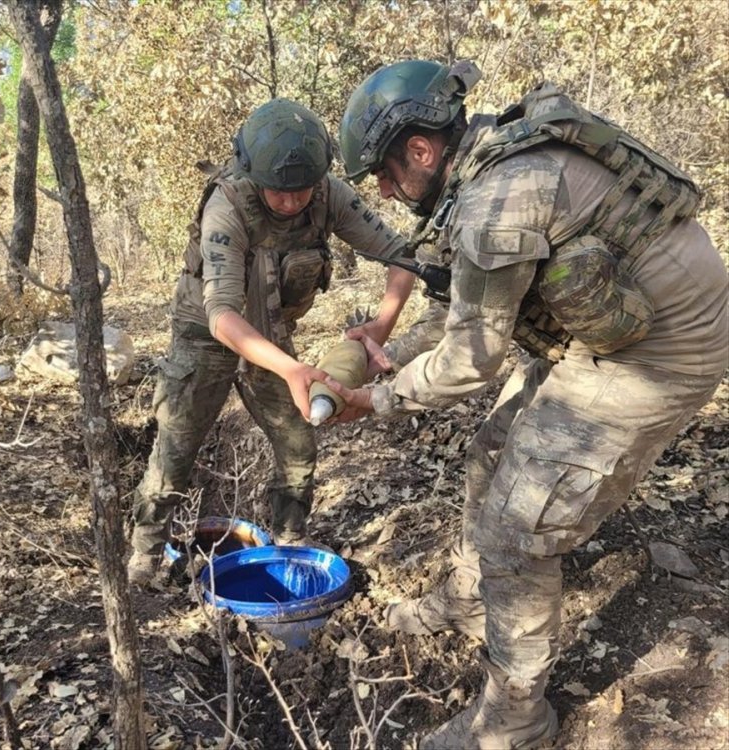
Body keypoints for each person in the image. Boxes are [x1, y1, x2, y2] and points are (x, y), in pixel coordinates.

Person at [330, 59, 728, 749]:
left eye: (388, 176)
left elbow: (471, 362)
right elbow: (461, 313)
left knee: (520, 530)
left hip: (661, 351)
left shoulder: (497, 200)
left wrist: (378, 398)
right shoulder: (483, 164)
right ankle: (468, 600)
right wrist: (388, 345)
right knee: (491, 453)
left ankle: (516, 718)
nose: (388, 194)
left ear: (421, 149)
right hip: (611, 328)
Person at [128, 98, 417, 585]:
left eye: (301, 190)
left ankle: (289, 535)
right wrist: (291, 369)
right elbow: (220, 314)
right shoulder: (228, 204)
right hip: (206, 338)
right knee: (176, 450)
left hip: (274, 338)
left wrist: (380, 329)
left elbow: (402, 257)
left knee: (299, 439)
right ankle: (146, 552)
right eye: (278, 192)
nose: (290, 202)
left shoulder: (330, 195)